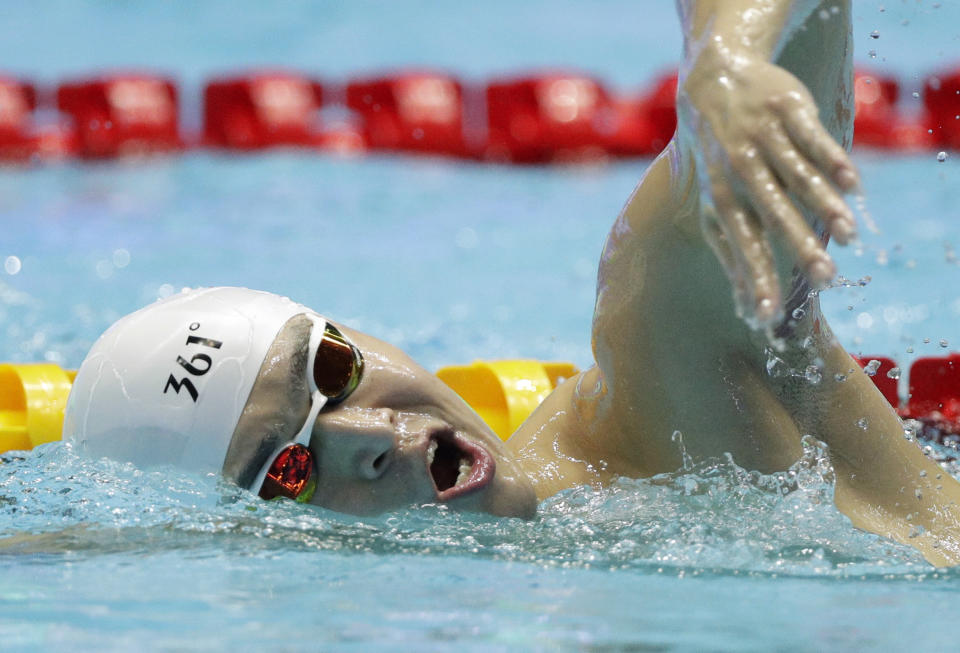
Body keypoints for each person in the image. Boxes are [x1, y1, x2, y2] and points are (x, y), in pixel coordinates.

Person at [63, 0, 960, 567]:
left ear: (360, 332)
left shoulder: (664, 377)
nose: (374, 437)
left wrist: (722, 63)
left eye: (333, 371)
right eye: (289, 468)